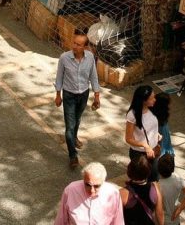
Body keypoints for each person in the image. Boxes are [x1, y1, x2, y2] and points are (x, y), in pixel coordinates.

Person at [55, 30, 102, 169]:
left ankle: (74, 138)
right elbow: (59, 77)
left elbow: (93, 77)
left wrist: (97, 95)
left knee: (77, 119)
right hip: (69, 95)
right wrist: (58, 95)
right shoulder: (64, 58)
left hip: (84, 94)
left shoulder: (90, 58)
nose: (75, 46)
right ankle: (73, 155)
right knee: (69, 126)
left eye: (79, 45)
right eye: (74, 43)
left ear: (85, 47)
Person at [53, 161, 124, 225]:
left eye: (96, 186)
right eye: (88, 185)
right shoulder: (71, 190)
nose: (92, 190)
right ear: (83, 179)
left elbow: (118, 221)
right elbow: (61, 219)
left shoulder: (113, 193)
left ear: (103, 181)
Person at [125, 86, 161, 175]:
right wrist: (145, 145)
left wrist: (157, 134)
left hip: (153, 150)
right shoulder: (132, 115)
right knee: (146, 179)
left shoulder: (152, 108)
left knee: (154, 177)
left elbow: (152, 125)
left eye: (154, 96)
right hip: (140, 154)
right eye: (151, 98)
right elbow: (128, 138)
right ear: (143, 100)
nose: (154, 100)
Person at [119, 155, 164, 225]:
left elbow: (116, 216)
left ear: (129, 171)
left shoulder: (122, 193)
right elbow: (160, 214)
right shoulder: (155, 187)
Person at [156, 154, 185, 225]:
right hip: (175, 220)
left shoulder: (157, 186)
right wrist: (179, 209)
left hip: (163, 221)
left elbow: (158, 209)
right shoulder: (177, 178)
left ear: (158, 169)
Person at [150, 93, 174, 157]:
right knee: (163, 145)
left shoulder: (151, 111)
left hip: (158, 131)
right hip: (162, 131)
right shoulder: (164, 113)